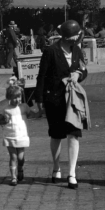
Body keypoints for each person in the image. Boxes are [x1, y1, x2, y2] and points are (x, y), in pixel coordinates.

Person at [35, 19, 89, 189]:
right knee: (57, 135)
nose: (78, 39)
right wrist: (40, 99)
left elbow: (83, 68)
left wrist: (78, 75)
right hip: (55, 98)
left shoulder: (77, 50)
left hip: (72, 99)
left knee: (74, 134)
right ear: (69, 37)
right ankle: (56, 166)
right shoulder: (51, 51)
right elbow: (42, 76)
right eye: (76, 36)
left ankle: (72, 173)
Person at [0, 78, 30, 186]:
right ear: (9, 98)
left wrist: (39, 112)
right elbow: (2, 122)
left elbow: (31, 114)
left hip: (21, 135)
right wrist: (4, 120)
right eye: (14, 98)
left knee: (20, 157)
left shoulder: (24, 107)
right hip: (10, 136)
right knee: (13, 156)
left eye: (19, 97)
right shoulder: (6, 109)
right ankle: (13, 177)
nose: (17, 100)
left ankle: (20, 169)